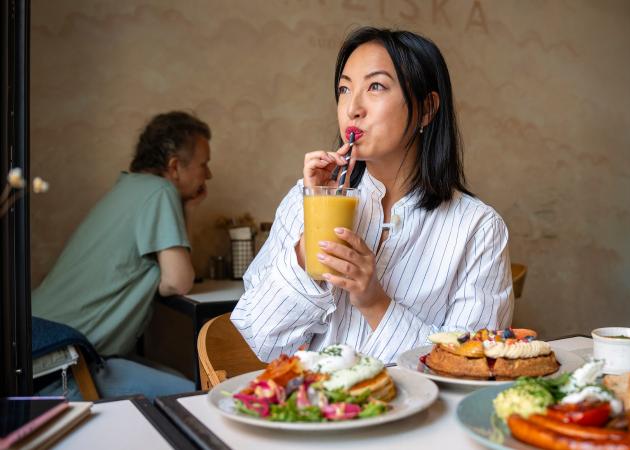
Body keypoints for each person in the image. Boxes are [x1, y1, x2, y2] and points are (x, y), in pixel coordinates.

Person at [231, 27, 513, 364]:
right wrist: (309, 245)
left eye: (375, 86)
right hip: (310, 412)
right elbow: (259, 342)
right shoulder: (305, 200)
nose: (352, 108)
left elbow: (470, 366)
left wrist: (374, 302)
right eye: (344, 88)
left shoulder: (478, 228)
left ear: (426, 108)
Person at [32, 110, 211, 399]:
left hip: (39, 343)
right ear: (175, 166)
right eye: (204, 164)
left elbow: (171, 277)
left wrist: (187, 209)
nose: (209, 175)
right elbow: (178, 281)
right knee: (199, 397)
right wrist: (166, 280)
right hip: (62, 364)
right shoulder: (159, 191)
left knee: (182, 382)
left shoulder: (130, 187)